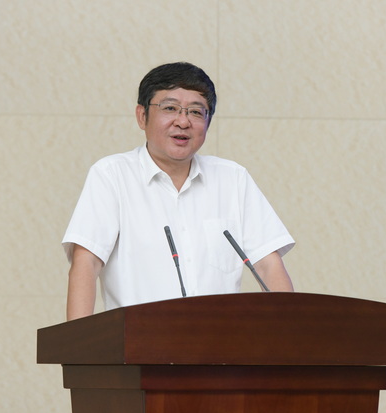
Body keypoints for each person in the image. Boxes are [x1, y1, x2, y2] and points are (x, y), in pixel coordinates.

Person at [63, 62, 294, 320]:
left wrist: (291, 335)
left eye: (196, 112)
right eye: (170, 108)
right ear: (142, 116)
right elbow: (86, 263)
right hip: (138, 341)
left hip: (221, 342)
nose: (183, 122)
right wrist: (76, 343)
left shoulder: (233, 179)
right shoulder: (112, 175)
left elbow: (268, 265)